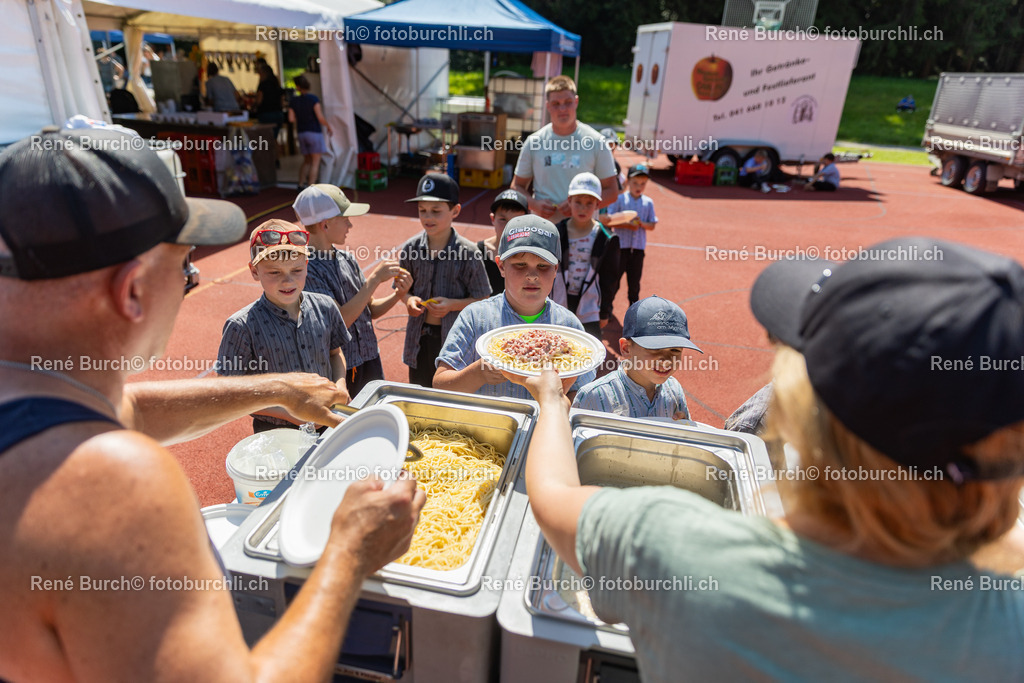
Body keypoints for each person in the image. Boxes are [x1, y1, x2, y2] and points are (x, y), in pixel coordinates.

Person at [0, 127, 424, 682]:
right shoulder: (115, 486)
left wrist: (273, 388)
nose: (190, 284)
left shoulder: (40, 394)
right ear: (132, 292)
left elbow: (121, 410)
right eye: (186, 270)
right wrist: (349, 555)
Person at [507, 235, 1024, 681]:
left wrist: (551, 399)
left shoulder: (670, 545)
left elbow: (554, 499)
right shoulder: (1007, 624)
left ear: (805, 407)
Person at [434, 215, 596, 399]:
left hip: (542, 426)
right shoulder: (475, 317)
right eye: (520, 264)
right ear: (501, 266)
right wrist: (478, 373)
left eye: (543, 266)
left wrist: (559, 394)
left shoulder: (569, 327)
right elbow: (440, 384)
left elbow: (582, 395)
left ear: (556, 270)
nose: (532, 275)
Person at [217, 219, 351, 432]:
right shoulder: (241, 326)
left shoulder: (325, 307)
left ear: (307, 265)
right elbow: (230, 392)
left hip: (328, 420)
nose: (288, 282)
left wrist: (340, 386)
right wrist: (291, 413)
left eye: (296, 270)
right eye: (274, 272)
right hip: (276, 431)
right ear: (254, 271)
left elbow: (335, 353)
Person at [293, 184, 412, 398]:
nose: (350, 224)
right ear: (325, 225)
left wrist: (398, 295)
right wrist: (375, 279)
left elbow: (370, 310)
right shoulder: (307, 269)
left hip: (369, 357)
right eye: (345, 218)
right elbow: (339, 322)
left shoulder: (346, 259)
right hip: (343, 369)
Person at [397, 173, 491, 387]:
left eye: (436, 211)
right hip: (419, 338)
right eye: (422, 211)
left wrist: (452, 305)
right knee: (419, 390)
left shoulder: (469, 252)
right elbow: (402, 289)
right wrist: (409, 300)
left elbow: (483, 297)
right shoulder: (411, 249)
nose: (428, 217)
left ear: (455, 211)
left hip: (455, 340)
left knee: (449, 392)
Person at [511, 75, 618, 223]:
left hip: (583, 234)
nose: (562, 109)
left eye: (568, 102)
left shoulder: (596, 141)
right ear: (547, 106)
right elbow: (517, 186)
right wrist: (534, 204)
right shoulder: (534, 142)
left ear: (576, 102)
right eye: (556, 103)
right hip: (544, 230)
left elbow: (612, 192)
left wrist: (579, 206)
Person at [572, 296, 700, 419]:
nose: (666, 361)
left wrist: (684, 429)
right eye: (654, 348)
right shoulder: (594, 396)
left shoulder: (674, 390)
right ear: (626, 348)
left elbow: (684, 432)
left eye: (675, 350)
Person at [551, 172, 620, 339]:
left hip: (589, 309)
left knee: (589, 355)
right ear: (569, 201)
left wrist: (605, 311)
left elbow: (610, 279)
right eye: (578, 202)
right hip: (557, 305)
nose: (583, 208)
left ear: (598, 204)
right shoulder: (555, 232)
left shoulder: (607, 238)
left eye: (589, 203)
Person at [604, 163, 657, 308]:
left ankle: (633, 312)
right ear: (627, 182)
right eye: (635, 183)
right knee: (614, 282)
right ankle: (607, 310)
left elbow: (652, 225)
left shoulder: (648, 203)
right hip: (621, 248)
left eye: (643, 183)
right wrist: (627, 224)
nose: (638, 186)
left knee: (634, 285)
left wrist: (641, 224)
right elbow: (610, 220)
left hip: (638, 251)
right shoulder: (620, 200)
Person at [477, 188, 530, 296]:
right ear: (493, 219)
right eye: (503, 219)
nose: (509, 226)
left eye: (517, 220)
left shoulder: (534, 254)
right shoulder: (476, 252)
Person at [289, 74, 331, 189]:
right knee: (315, 162)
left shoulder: (294, 101)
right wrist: (329, 126)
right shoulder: (313, 99)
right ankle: (311, 187)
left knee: (306, 160)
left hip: (302, 132)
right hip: (314, 132)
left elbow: (291, 119)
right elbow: (320, 117)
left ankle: (301, 183)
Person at [253, 63, 286, 135]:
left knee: (266, 138)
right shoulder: (276, 84)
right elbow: (282, 102)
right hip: (278, 114)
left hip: (266, 114)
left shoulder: (263, 85)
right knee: (273, 137)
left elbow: (259, 100)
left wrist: (254, 105)